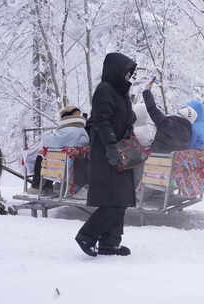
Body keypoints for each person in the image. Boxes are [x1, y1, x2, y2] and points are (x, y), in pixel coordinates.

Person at [75, 52, 137, 257]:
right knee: (115, 201)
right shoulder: (105, 90)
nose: (129, 77)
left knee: (122, 199)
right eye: (127, 72)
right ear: (116, 70)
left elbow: (123, 118)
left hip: (120, 152)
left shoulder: (121, 92)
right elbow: (101, 121)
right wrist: (111, 147)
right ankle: (87, 235)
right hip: (107, 153)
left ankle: (110, 243)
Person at [27, 106, 89, 197]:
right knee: (49, 157)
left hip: (63, 166)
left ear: (65, 117)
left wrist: (46, 136)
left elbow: (49, 142)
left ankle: (38, 186)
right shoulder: (81, 130)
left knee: (41, 156)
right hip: (73, 163)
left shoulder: (68, 130)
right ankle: (47, 186)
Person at [142, 89, 194, 153]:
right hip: (167, 160)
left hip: (153, 155)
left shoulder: (171, 125)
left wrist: (146, 93)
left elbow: (153, 110)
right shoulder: (188, 135)